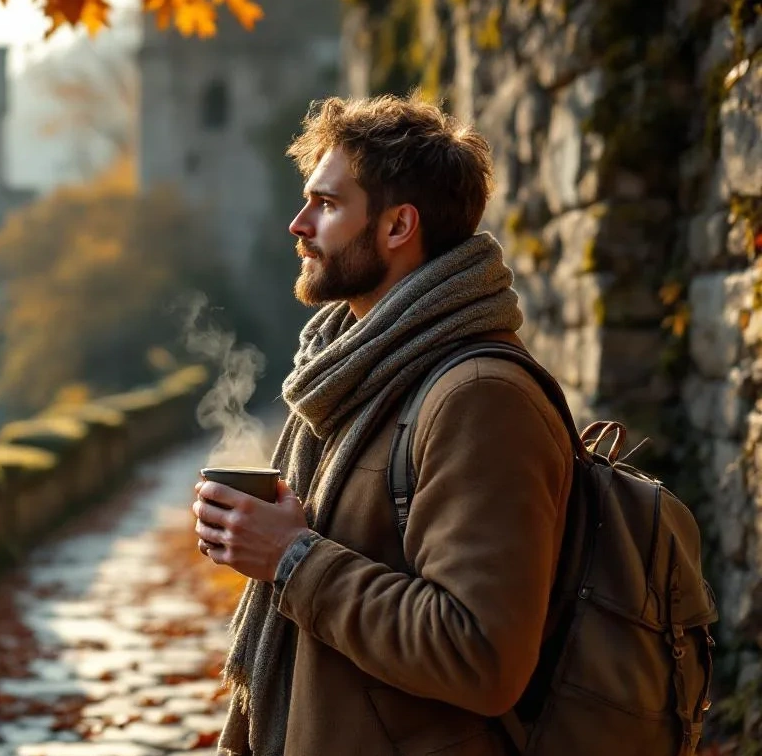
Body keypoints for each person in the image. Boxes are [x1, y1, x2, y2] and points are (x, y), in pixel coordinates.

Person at [192, 94, 574, 756]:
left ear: (399, 227)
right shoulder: (352, 376)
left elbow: (480, 658)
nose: (298, 223)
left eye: (328, 205)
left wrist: (290, 557)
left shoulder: (480, 399)